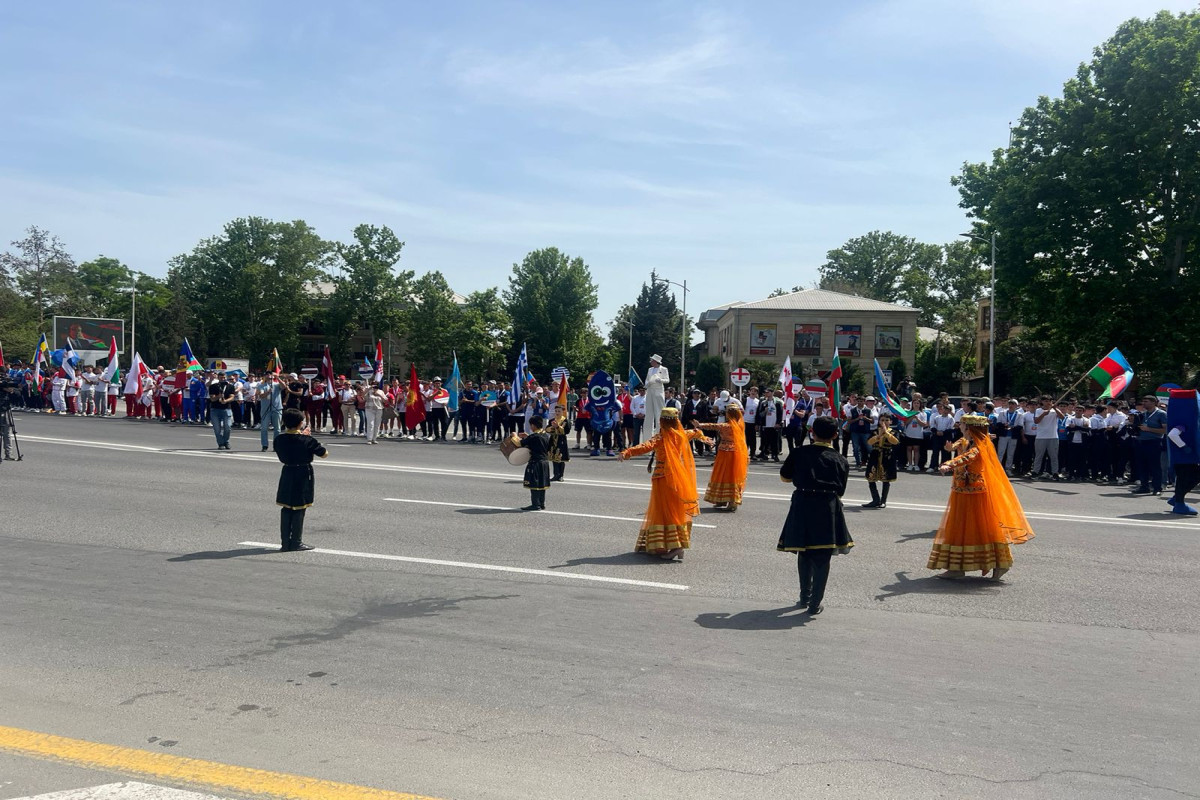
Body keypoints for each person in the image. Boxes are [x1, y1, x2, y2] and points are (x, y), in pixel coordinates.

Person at [929, 414, 1035, 580]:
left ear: (970, 428)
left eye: (963, 424)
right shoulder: (965, 441)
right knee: (959, 529)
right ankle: (956, 567)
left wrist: (950, 463)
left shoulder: (980, 447)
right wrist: (950, 450)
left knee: (982, 529)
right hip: (960, 491)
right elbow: (958, 446)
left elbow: (967, 457)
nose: (960, 426)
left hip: (975, 494)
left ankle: (1000, 564)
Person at [776, 416, 852, 615]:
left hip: (802, 503)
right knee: (822, 555)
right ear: (835, 435)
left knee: (804, 551)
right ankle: (814, 604)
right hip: (828, 507)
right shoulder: (841, 460)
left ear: (812, 432)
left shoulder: (799, 452)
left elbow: (785, 477)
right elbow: (841, 490)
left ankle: (804, 597)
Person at [618, 407, 711, 560]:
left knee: (666, 510)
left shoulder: (661, 438)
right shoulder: (682, 434)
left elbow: (645, 446)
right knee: (674, 509)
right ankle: (675, 545)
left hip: (663, 477)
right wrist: (705, 439)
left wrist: (626, 452)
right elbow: (696, 432)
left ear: (662, 421)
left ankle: (676, 546)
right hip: (678, 477)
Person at [273, 407, 329, 552]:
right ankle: (296, 541)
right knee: (299, 508)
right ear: (299, 423)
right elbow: (324, 453)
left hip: (287, 471)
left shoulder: (279, 439)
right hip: (303, 472)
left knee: (286, 507)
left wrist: (302, 436)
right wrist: (306, 437)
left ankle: (285, 543)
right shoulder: (307, 440)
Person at [692, 400, 750, 512]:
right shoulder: (740, 425)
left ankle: (731, 501)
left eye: (727, 412)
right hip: (735, 452)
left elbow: (714, 426)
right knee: (731, 475)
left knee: (725, 475)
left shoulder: (727, 426)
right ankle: (724, 499)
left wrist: (700, 425)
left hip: (727, 453)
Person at [1132, 394, 1168, 495]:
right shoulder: (1143, 414)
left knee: (1155, 466)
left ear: (1153, 402)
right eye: (1143, 401)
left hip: (1154, 442)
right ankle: (1144, 486)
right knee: (1142, 465)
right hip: (1141, 441)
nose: (1143, 403)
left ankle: (1157, 488)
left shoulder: (1161, 414)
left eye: (1146, 402)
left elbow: (1165, 430)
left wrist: (1149, 429)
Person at [863, 411, 899, 509]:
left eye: (887, 420)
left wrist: (886, 433)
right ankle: (875, 499)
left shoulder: (893, 432)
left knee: (886, 479)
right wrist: (878, 436)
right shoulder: (874, 431)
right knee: (871, 478)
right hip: (875, 455)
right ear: (879, 421)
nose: (884, 422)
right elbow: (869, 442)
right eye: (882, 420)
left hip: (887, 456)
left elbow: (895, 442)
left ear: (890, 421)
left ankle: (883, 501)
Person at [519, 416, 552, 510]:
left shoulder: (533, 437)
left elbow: (519, 443)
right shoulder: (545, 435)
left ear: (533, 425)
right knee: (542, 483)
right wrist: (527, 437)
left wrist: (514, 436)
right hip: (545, 462)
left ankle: (535, 504)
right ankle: (541, 503)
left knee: (534, 484)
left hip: (535, 462)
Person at [209, 373, 236, 450]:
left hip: (226, 409)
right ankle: (220, 443)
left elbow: (232, 397)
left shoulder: (230, 386)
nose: (223, 379)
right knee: (217, 429)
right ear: (218, 378)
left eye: (224, 377)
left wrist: (226, 401)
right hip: (215, 410)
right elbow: (212, 399)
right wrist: (218, 396)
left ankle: (226, 441)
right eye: (221, 377)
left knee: (228, 427)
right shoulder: (213, 386)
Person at [644, 354, 668, 438]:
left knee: (659, 412)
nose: (651, 362)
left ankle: (659, 432)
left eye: (652, 360)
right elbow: (646, 380)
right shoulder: (650, 370)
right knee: (649, 412)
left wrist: (660, 380)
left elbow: (667, 380)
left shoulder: (664, 369)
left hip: (658, 390)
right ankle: (648, 435)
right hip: (650, 390)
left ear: (656, 361)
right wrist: (647, 384)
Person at [258, 373, 284, 451]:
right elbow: (261, 395)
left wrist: (278, 378)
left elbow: (284, 387)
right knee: (264, 428)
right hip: (266, 410)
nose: (269, 377)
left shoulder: (277, 384)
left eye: (271, 376)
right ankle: (265, 445)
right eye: (267, 375)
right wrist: (268, 392)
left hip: (276, 409)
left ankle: (276, 445)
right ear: (265, 377)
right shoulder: (261, 385)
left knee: (277, 429)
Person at [546, 410, 572, 482]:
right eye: (556, 411)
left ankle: (561, 475)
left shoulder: (565, 421)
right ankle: (555, 474)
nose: (557, 413)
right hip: (553, 440)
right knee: (554, 458)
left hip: (561, 440)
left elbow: (566, 431)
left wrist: (558, 427)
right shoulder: (552, 420)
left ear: (562, 412)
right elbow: (547, 430)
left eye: (559, 411)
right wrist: (552, 427)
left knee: (561, 458)